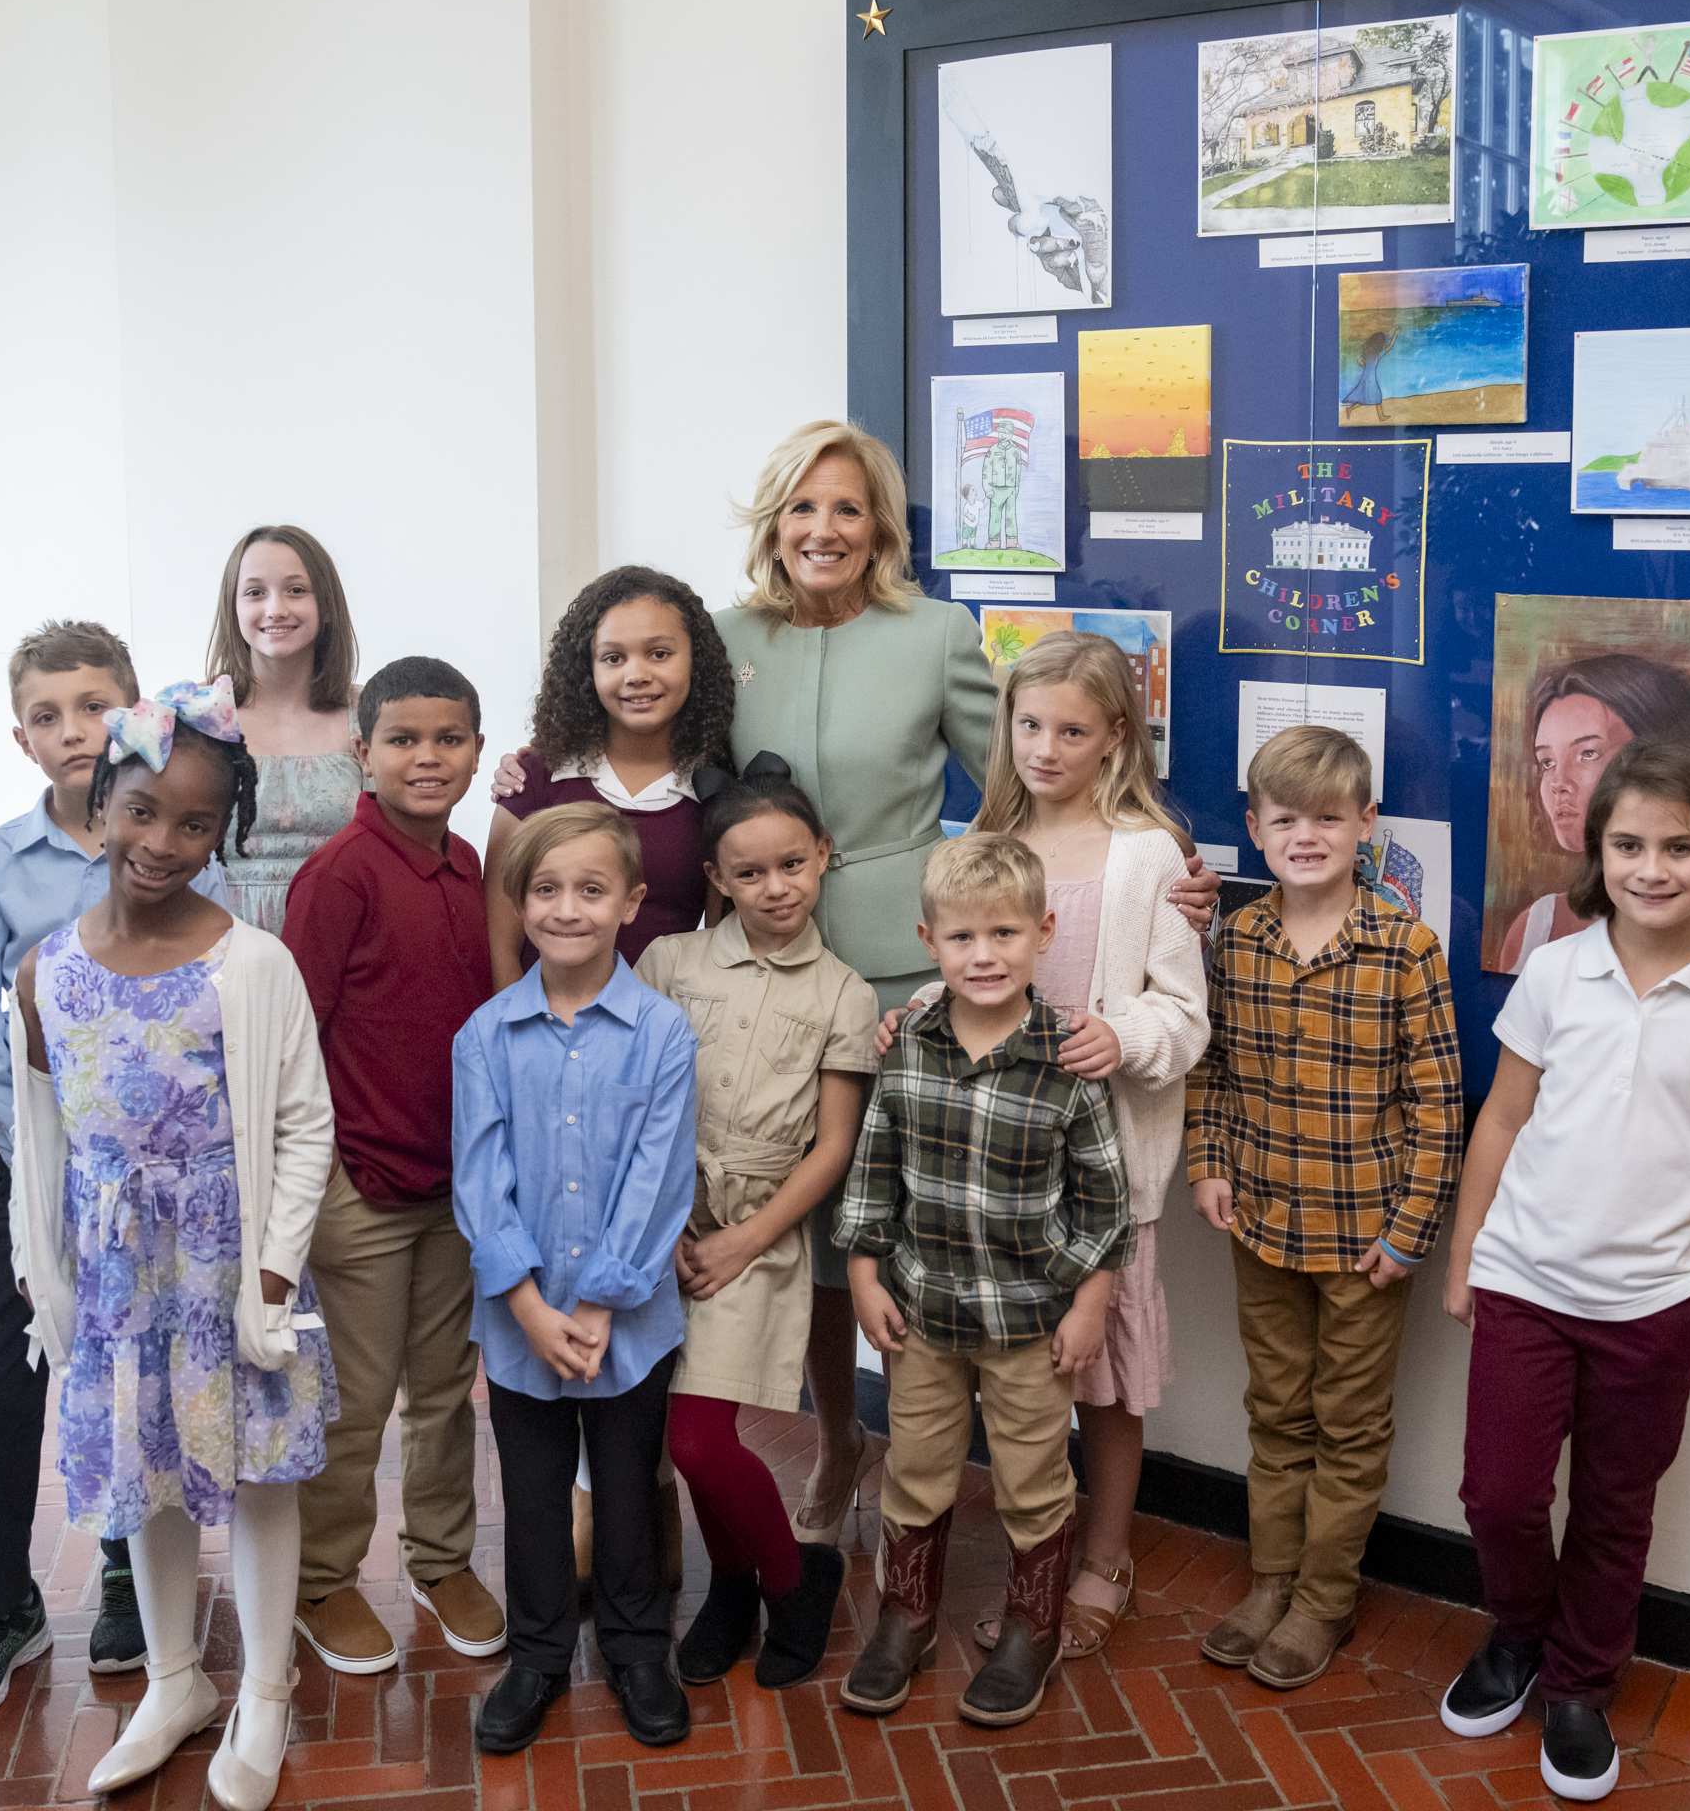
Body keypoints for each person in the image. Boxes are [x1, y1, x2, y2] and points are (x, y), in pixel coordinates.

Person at [490, 422, 1213, 1546]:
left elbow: (1026, 780)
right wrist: (530, 769)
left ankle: (926, 1463)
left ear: (880, 525)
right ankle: (822, 1437)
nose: (823, 530)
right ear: (773, 520)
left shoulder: (935, 635)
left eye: (848, 509)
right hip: (752, 960)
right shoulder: (718, 638)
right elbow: (640, 750)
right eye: (802, 508)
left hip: (909, 964)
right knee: (779, 1215)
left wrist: (1159, 854)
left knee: (895, 1215)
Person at [1439, 738, 1690, 1802]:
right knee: (1499, 1494)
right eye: (1629, 843)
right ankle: (1518, 1633)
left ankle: (1580, 1682)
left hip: (1654, 1307)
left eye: (1679, 845)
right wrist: (1466, 1256)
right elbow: (1501, 1116)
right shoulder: (1556, 968)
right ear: (1597, 851)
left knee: (1612, 1505)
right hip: (1525, 1283)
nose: (1653, 867)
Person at [7, 677, 338, 1811]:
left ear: (222, 831)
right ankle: (175, 1678)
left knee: (252, 1476)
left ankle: (269, 1691)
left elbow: (304, 1122)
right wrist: (47, 1277)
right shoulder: (45, 969)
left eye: (196, 823)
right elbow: (40, 1137)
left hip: (226, 1263)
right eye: (142, 811)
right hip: (115, 1275)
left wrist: (275, 1275)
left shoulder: (252, 963)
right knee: (145, 1477)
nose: (164, 841)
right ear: (100, 802)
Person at [871, 631, 1209, 1663]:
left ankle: (1103, 1557)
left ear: (1115, 739)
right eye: (1030, 724)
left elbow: (1185, 1015)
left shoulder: (1148, 852)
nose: (1047, 747)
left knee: (1101, 1376)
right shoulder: (980, 833)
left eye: (1073, 729)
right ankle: (1021, 1558)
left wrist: (1127, 1035)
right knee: (1003, 1381)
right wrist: (915, 1016)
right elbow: (966, 963)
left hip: (1096, 1167)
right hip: (983, 1176)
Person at [0, 620, 229, 1719]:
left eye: (95, 707)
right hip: (40, 1173)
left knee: (142, 1368)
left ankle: (127, 1568)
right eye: (48, 714)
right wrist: (50, 1168)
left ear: (134, 714)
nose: (73, 731)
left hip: (168, 1183)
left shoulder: (183, 847)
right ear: (22, 735)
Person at [1185, 725, 1463, 1689]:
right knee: (1276, 1411)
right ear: (1256, 830)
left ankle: (1322, 1601)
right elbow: (1212, 1070)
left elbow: (1438, 1106)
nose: (1308, 835)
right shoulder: (1238, 939)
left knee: (1347, 1422)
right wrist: (1208, 1164)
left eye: (1330, 818)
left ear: (1366, 825)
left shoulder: (1406, 948)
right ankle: (1270, 1580)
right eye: (1286, 818)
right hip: (1261, 1221)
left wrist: (1411, 1230)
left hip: (1365, 1241)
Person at [835, 833, 1131, 1729]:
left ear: (1042, 932)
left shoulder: (1067, 1059)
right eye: (963, 939)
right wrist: (861, 1273)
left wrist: (1089, 1305)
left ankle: (1032, 1627)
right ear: (929, 941)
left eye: (1005, 934)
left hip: (1030, 1323)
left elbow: (1104, 1201)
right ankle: (906, 1616)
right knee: (916, 1468)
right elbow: (873, 1169)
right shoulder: (909, 1044)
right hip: (921, 1312)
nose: (985, 955)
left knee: (1032, 1478)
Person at [453, 804, 702, 1752]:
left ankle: (641, 1650)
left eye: (591, 890)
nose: (566, 909)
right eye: (545, 890)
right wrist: (525, 1304)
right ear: (518, 904)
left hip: (626, 1320)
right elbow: (481, 1180)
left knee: (631, 1487)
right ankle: (540, 1655)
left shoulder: (661, 1033)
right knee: (533, 1490)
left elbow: (658, 1176)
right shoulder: (484, 1036)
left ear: (632, 902)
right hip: (519, 1323)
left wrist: (596, 1299)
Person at [278, 656, 506, 1674]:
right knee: (358, 1399)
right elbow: (295, 1040)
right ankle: (321, 1579)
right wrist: (321, 1179)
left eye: (448, 737)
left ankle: (440, 1555)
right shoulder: (339, 873)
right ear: (360, 753)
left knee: (447, 1391)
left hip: (455, 1187)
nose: (428, 755)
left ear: (476, 748)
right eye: (404, 738)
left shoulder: (471, 867)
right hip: (361, 1188)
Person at [636, 766, 876, 1692]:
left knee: (700, 1437)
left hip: (756, 1238)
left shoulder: (843, 994)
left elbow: (833, 1147)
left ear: (823, 859)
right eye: (750, 874)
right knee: (674, 1428)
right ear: (716, 879)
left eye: (792, 865)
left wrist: (743, 1240)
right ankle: (731, 1581)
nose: (775, 888)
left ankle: (794, 1578)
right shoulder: (671, 966)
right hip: (663, 1231)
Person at [484, 564, 734, 985]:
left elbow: (718, 944)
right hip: (542, 1030)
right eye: (614, 658)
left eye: (659, 653)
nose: (636, 675)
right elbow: (499, 944)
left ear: (696, 662)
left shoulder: (714, 790)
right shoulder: (536, 777)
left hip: (662, 1031)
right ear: (588, 670)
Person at [1492, 652, 1690, 998]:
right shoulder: (1535, 930)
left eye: (1588, 752)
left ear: (1657, 758)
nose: (1558, 781)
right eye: (1546, 761)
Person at [208, 525, 365, 931]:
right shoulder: (198, 716)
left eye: (297, 590)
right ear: (233, 608)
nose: (276, 608)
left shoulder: (370, 713)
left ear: (326, 604)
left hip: (345, 944)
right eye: (255, 592)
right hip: (224, 949)